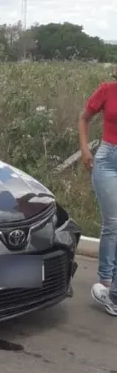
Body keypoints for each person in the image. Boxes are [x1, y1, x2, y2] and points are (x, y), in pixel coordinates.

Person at [78, 66, 117, 316]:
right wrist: (84, 149)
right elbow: (84, 118)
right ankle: (105, 283)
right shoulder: (107, 90)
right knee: (113, 222)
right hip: (107, 160)